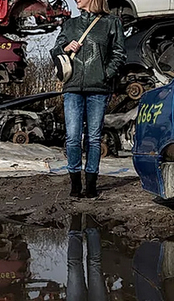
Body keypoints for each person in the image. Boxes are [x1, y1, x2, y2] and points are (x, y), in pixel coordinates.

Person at [52, 0, 126, 198]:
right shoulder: (70, 24)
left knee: (94, 139)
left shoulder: (111, 23)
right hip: (73, 88)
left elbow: (119, 54)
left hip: (99, 90)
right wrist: (65, 47)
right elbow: (55, 51)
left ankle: (91, 185)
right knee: (73, 137)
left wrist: (105, 74)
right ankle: (75, 184)